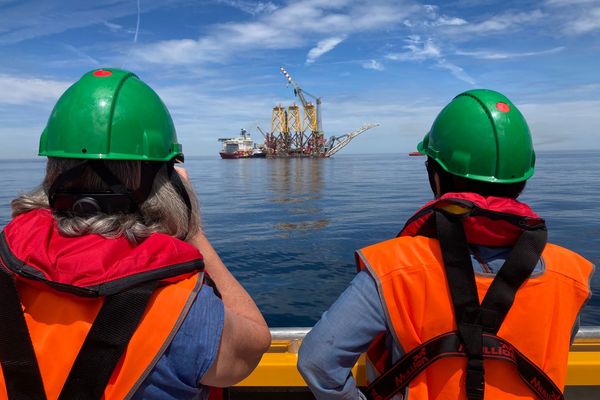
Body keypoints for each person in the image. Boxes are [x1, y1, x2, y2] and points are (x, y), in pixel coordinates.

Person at [297, 89, 594, 400]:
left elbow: (318, 361)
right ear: (523, 178)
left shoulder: (391, 270)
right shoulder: (571, 275)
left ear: (436, 176)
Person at [0, 68, 271, 399]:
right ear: (165, 184)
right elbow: (253, 345)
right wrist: (192, 229)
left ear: (51, 169)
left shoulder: (7, 263)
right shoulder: (183, 307)